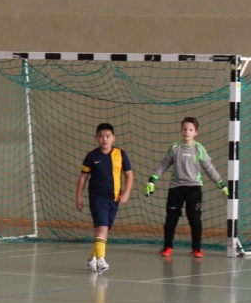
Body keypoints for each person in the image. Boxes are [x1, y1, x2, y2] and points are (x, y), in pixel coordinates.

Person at [144, 117, 228, 258]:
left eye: (190, 129)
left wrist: (221, 185)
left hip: (194, 188)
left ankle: (197, 248)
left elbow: (209, 168)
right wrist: (152, 180)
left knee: (195, 219)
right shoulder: (174, 148)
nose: (187, 132)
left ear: (196, 132)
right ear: (181, 130)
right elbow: (163, 165)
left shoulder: (199, 149)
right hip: (176, 188)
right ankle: (167, 247)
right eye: (184, 129)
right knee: (171, 219)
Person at [75, 123, 134, 273]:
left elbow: (129, 175)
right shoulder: (92, 156)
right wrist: (78, 197)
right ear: (97, 138)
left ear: (113, 138)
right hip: (97, 196)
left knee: (104, 229)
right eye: (101, 136)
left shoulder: (120, 154)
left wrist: (126, 193)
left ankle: (92, 259)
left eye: (108, 136)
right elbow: (83, 177)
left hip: (113, 198)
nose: (104, 139)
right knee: (101, 227)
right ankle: (101, 260)